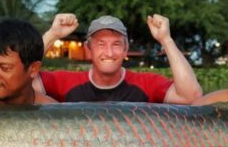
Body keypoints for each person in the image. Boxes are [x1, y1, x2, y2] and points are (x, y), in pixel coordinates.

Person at [34, 13, 202, 103]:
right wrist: (52, 35)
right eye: (100, 44)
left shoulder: (147, 84)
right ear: (89, 49)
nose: (109, 52)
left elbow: (191, 96)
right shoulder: (63, 81)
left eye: (116, 44)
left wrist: (166, 40)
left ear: (125, 50)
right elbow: (22, 82)